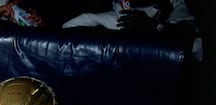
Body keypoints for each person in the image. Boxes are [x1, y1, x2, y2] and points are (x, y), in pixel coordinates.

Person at [62, 0, 203, 60]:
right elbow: (64, 35)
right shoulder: (116, 11)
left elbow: (190, 43)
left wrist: (154, 27)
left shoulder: (175, 6)